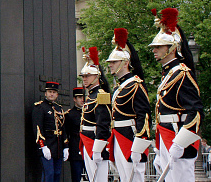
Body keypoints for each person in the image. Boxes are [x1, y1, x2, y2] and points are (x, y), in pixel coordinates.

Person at [149, 8, 203, 182]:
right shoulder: (169, 74)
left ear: (172, 48)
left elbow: (195, 111)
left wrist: (180, 143)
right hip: (166, 137)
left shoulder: (182, 74)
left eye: (159, 47)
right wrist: (158, 148)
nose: (154, 50)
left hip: (177, 138)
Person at [105, 28, 151, 182]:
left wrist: (139, 144)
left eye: (114, 62)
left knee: (134, 176)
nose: (110, 65)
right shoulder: (120, 87)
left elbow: (143, 115)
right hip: (118, 135)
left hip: (130, 137)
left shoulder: (135, 85)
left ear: (125, 63)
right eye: (110, 62)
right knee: (124, 177)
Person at [79, 47, 111, 182]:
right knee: (92, 177)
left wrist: (98, 148)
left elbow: (103, 124)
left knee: (99, 178)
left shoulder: (101, 96)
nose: (84, 79)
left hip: (94, 141)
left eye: (87, 76)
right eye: (83, 76)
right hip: (87, 140)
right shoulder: (91, 95)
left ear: (96, 76)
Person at [32, 81, 68, 182]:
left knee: (57, 173)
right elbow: (38, 128)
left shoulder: (58, 108)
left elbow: (63, 128)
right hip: (47, 145)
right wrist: (43, 146)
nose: (51, 94)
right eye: (49, 92)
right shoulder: (40, 107)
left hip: (58, 146)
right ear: (45, 93)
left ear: (57, 94)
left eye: (54, 92)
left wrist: (66, 146)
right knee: (49, 173)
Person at [64, 87, 85, 182]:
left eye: (83, 97)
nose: (82, 100)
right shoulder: (69, 114)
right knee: (76, 177)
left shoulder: (89, 113)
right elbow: (66, 132)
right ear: (74, 99)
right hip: (76, 148)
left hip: (89, 148)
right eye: (79, 97)